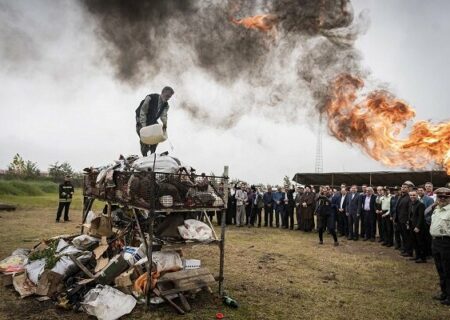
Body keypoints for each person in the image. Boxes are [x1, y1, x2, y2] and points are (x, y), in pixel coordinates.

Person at [135, 86, 174, 156]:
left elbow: (163, 115)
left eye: (169, 97)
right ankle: (144, 155)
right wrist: (144, 127)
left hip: (152, 120)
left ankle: (152, 153)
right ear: (162, 93)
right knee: (144, 137)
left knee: (158, 133)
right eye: (167, 96)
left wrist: (165, 124)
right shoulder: (150, 98)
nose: (167, 98)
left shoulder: (166, 105)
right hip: (141, 119)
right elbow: (143, 112)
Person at [429, 187, 450, 305]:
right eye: (439, 197)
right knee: (440, 269)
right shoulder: (436, 209)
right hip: (435, 242)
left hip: (446, 243)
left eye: (445, 197)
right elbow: (426, 215)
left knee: (448, 271)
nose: (442, 199)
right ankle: (444, 293)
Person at [408, 190, 427, 263]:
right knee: (414, 242)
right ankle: (417, 256)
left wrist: (418, 227)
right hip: (412, 225)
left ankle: (423, 258)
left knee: (420, 242)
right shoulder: (411, 203)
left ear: (417, 195)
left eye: (414, 195)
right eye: (411, 195)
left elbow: (421, 217)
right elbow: (410, 215)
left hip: (419, 227)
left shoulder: (420, 204)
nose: (412, 196)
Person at [395, 183, 413, 257]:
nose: (403, 188)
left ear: (408, 189)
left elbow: (410, 210)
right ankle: (405, 249)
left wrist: (408, 221)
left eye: (405, 187)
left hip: (405, 221)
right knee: (403, 236)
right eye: (402, 187)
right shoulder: (401, 197)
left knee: (407, 237)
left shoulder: (409, 197)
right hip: (399, 220)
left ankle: (409, 252)